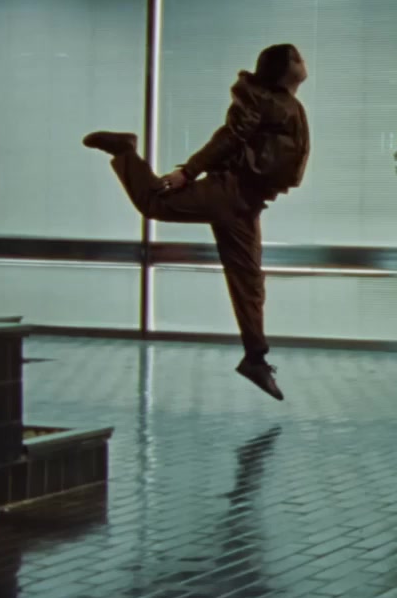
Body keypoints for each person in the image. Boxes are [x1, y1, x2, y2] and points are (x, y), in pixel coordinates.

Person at [83, 43, 311, 401]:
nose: (304, 62)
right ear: (284, 68)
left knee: (249, 280)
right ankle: (125, 151)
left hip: (245, 204)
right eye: (298, 58)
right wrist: (189, 172)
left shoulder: (286, 103)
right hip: (229, 193)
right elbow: (230, 136)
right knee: (154, 203)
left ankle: (255, 360)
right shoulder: (260, 99)